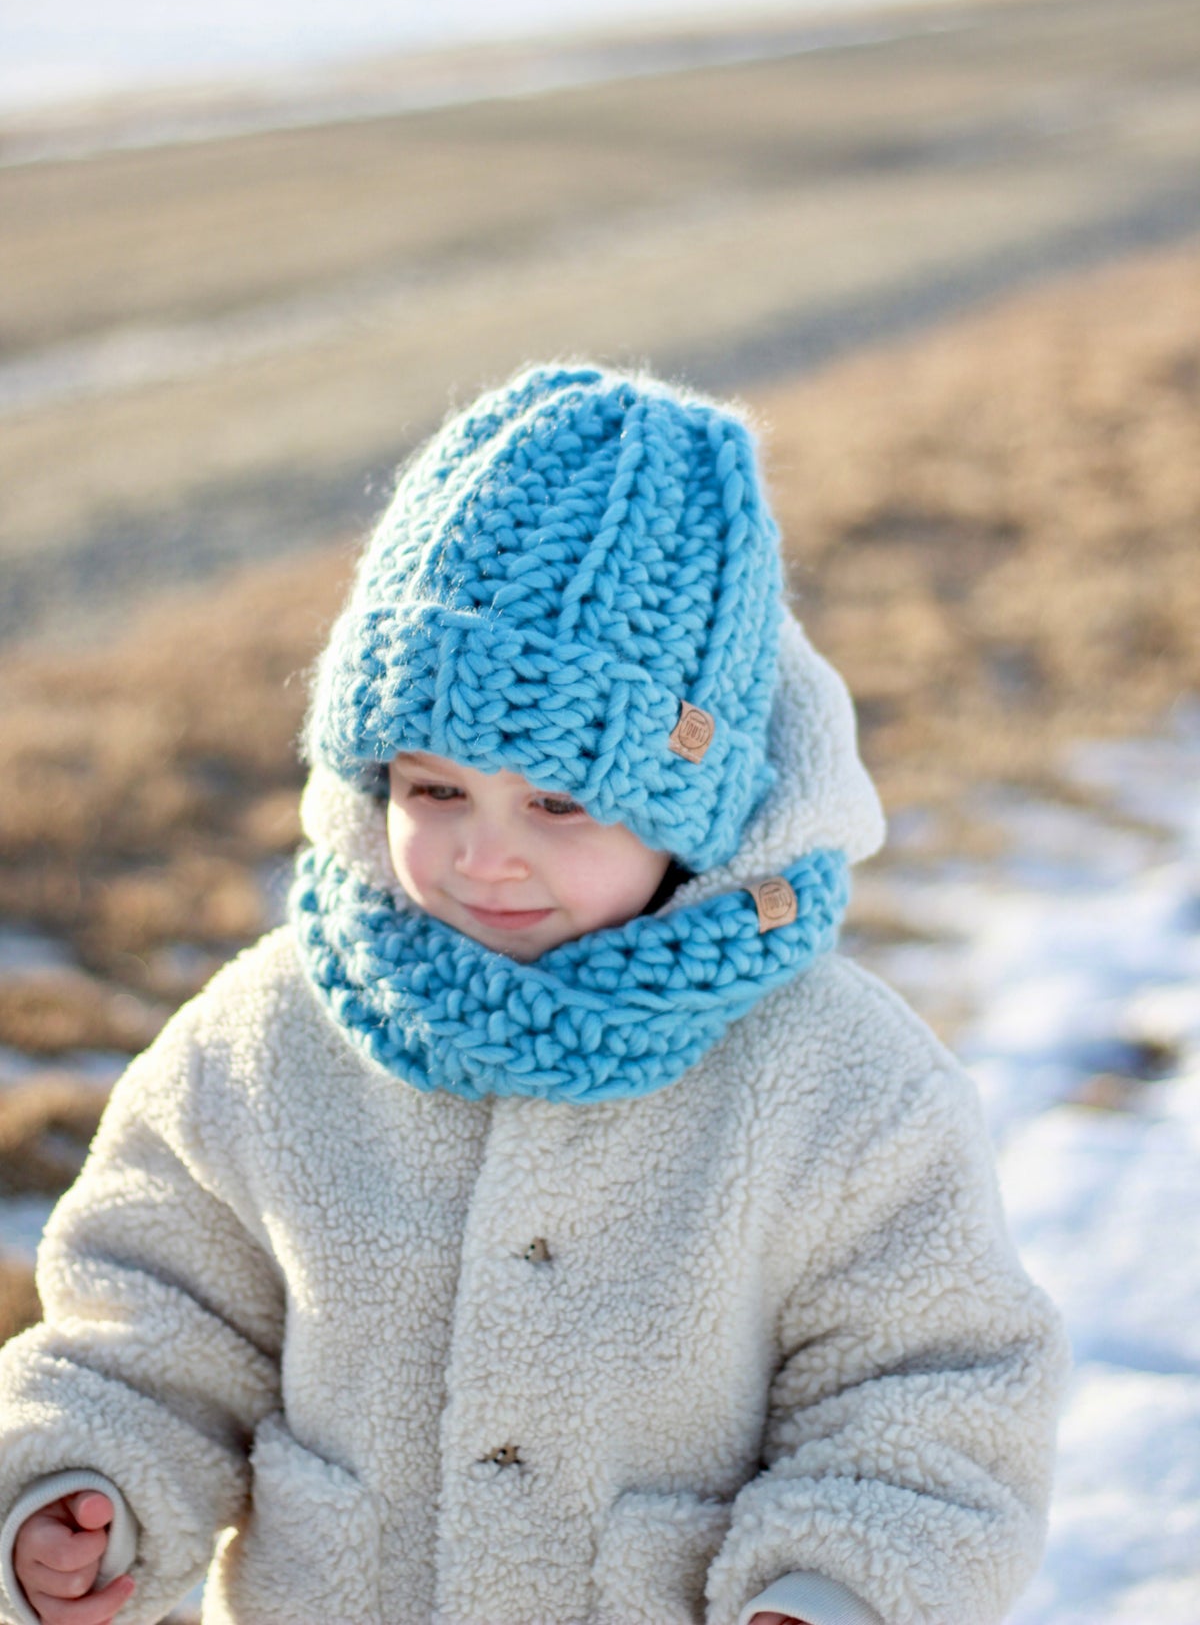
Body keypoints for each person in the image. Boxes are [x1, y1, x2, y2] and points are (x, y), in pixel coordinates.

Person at [0, 365, 1067, 1625]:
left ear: (691, 809)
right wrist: (83, 1482)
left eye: (557, 803)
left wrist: (838, 1589)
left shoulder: (839, 1079)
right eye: (433, 790)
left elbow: (929, 1388)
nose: (483, 854)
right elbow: (152, 1328)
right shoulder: (267, 1041)